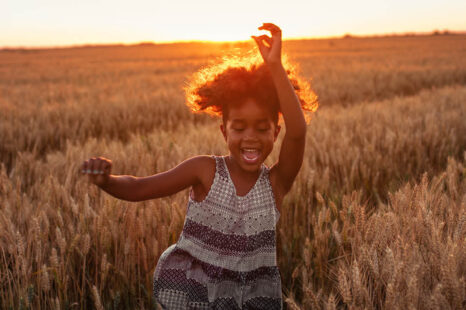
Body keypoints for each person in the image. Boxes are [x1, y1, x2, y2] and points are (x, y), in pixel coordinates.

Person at [81, 23, 317, 310]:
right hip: (194, 299)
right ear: (223, 132)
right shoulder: (204, 171)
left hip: (251, 302)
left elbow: (298, 132)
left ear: (276, 133)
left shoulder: (276, 183)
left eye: (261, 128)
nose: (250, 138)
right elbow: (142, 187)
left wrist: (275, 67)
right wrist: (107, 181)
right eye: (239, 128)